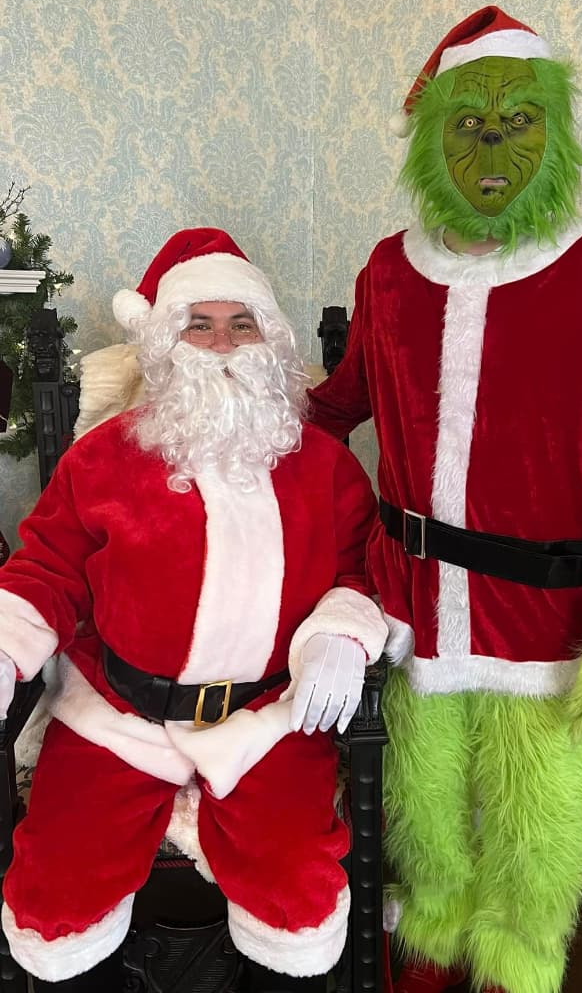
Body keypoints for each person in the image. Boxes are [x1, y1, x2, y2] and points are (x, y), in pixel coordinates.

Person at [308, 6, 582, 993]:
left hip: (543, 615)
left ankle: (518, 963)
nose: (492, 151)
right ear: (431, 135)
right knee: (423, 811)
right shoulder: (389, 271)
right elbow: (338, 405)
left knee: (535, 823)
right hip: (410, 603)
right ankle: (428, 945)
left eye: (518, 123)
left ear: (553, 133)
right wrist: (237, 398)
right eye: (469, 126)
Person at [0, 227, 388, 992]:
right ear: (164, 344)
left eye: (240, 323)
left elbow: (361, 569)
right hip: (117, 719)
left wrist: (341, 634)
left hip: (265, 724)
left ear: (271, 342)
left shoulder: (325, 466)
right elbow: (46, 567)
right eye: (197, 324)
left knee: (296, 900)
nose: (220, 344)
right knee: (56, 900)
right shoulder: (102, 457)